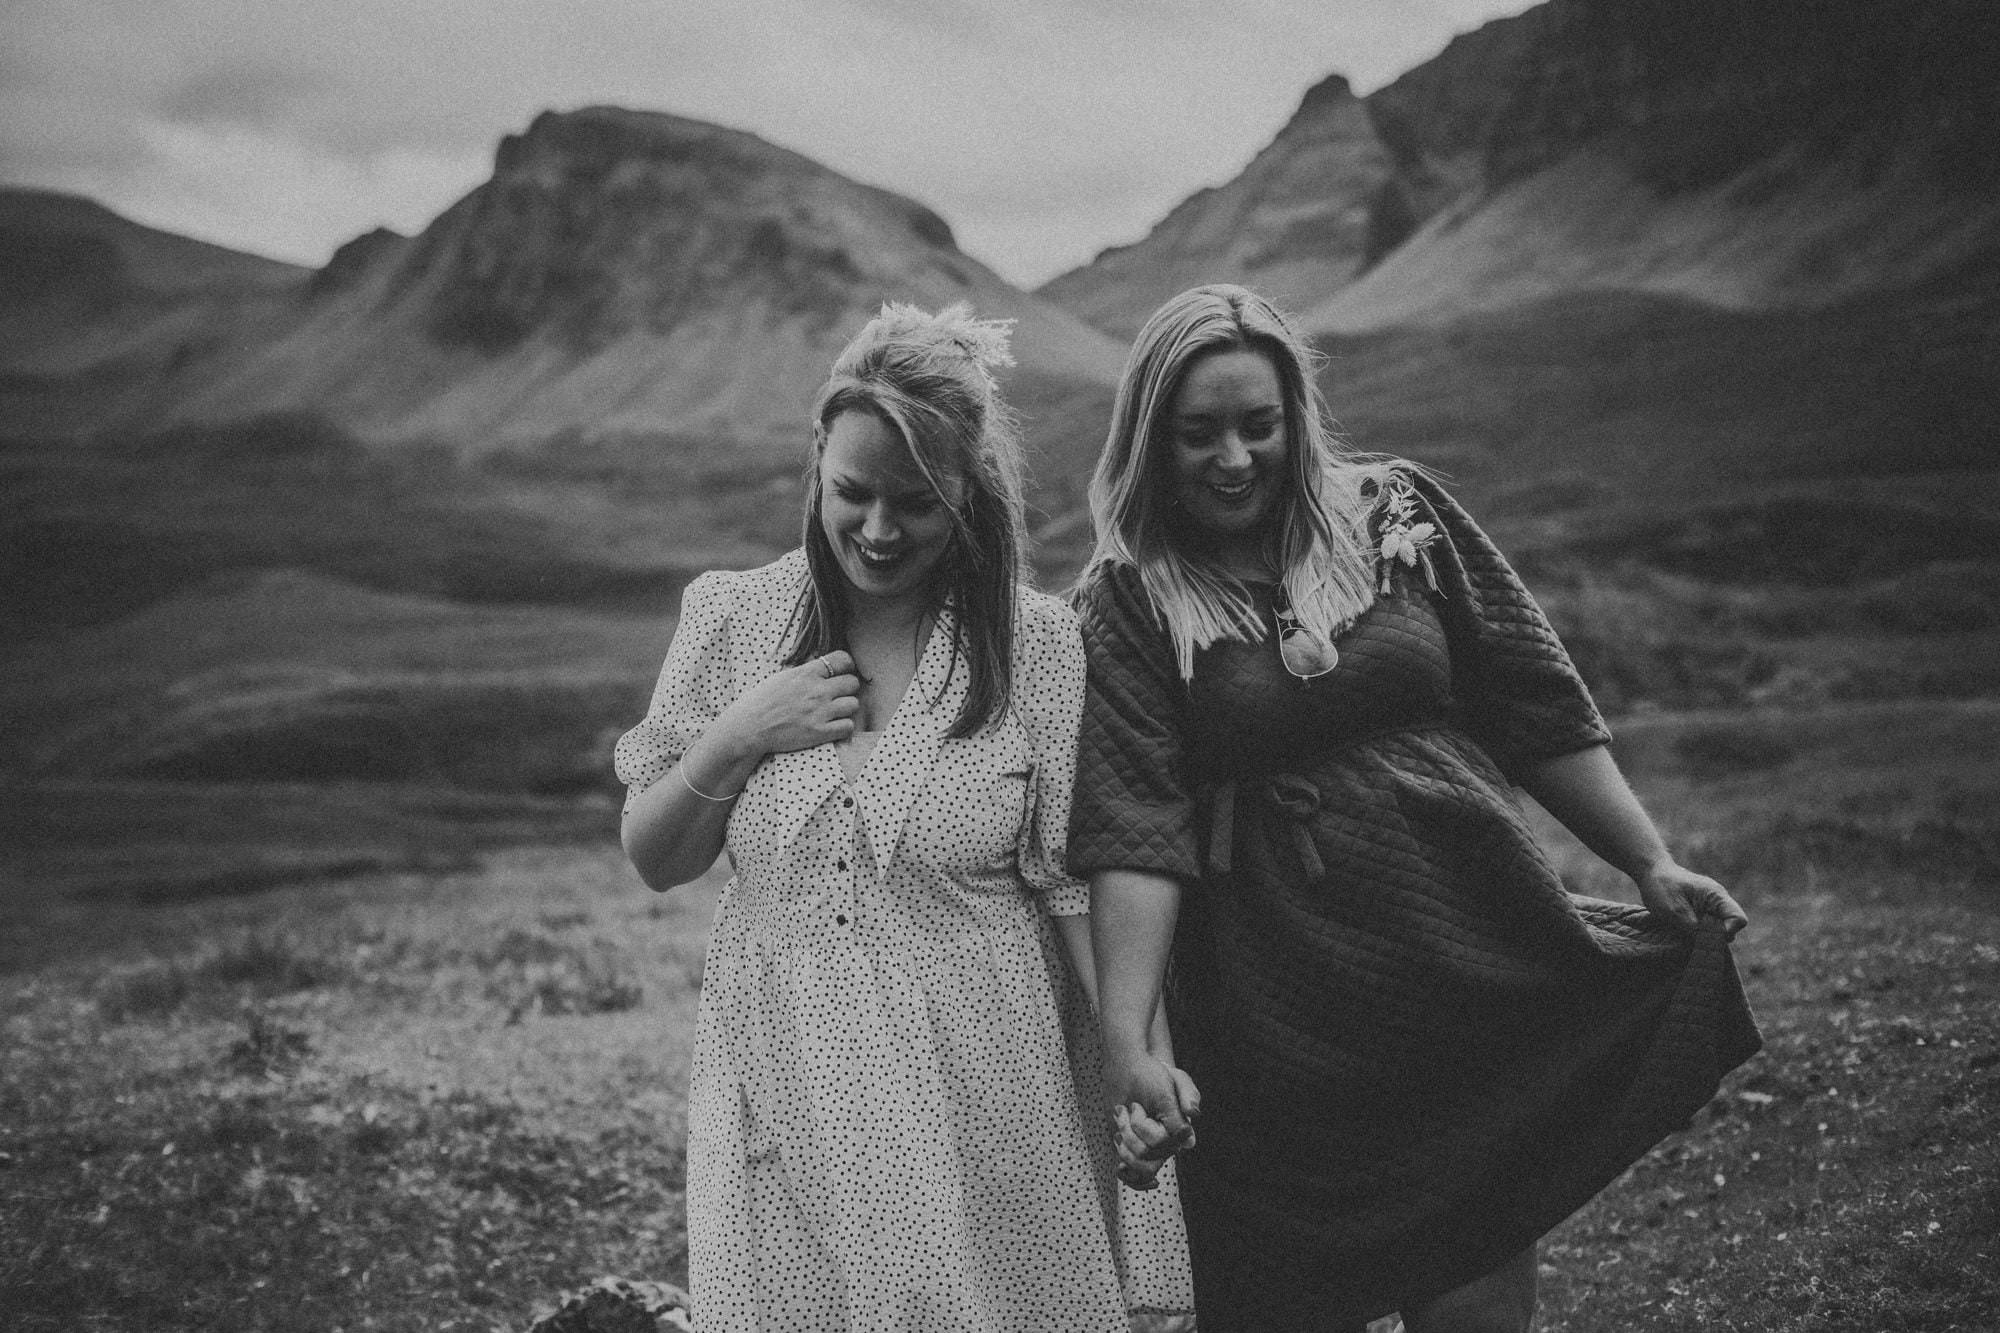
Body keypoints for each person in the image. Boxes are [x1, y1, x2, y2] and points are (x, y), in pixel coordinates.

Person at [1068, 284, 1762, 1333]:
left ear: (1295, 416)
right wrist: (1127, 1039)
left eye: (1258, 425)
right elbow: (1135, 828)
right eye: (1196, 433)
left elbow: (1531, 700)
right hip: (1269, 1004)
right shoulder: (1126, 598)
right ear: (1148, 438)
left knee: (1476, 1291)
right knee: (1281, 1294)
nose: (1232, 458)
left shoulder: (1398, 516)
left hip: (1459, 944)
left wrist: (1645, 860)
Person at [615, 302, 1193, 1333]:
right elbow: (655, 856)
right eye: (853, 493)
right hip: (783, 1072)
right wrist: (738, 734)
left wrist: (1126, 1054)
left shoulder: (1038, 643)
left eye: (915, 503)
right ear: (817, 464)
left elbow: (1066, 880)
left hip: (988, 1080)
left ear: (967, 492)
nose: (878, 531)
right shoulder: (732, 617)